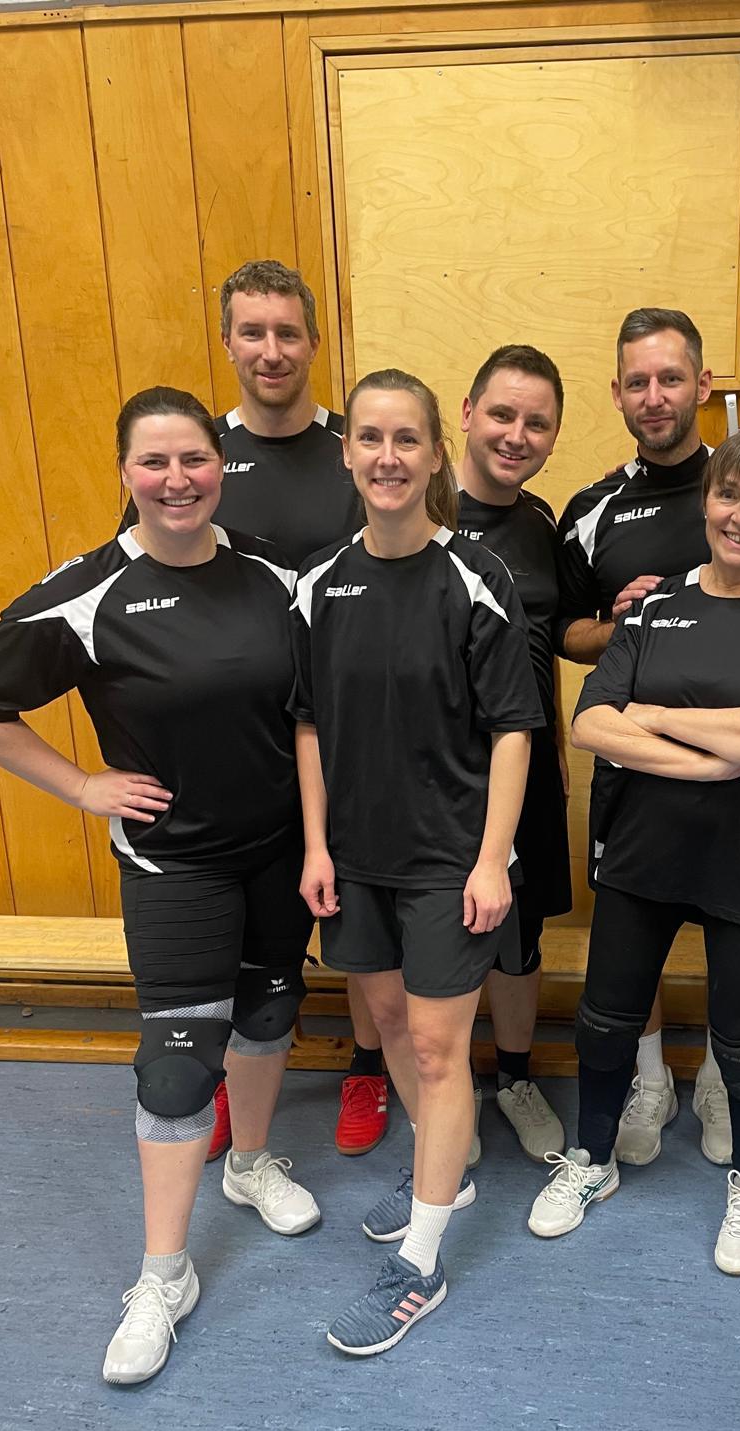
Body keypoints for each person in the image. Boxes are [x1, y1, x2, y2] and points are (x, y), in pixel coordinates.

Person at [0, 388, 319, 1385]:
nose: (176, 480)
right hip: (176, 865)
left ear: (221, 465)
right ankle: (164, 1273)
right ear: (126, 473)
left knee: (268, 1012)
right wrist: (82, 785)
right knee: (176, 1065)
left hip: (280, 853)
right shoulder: (89, 593)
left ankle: (249, 1162)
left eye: (194, 459)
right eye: (154, 462)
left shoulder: (275, 574)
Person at [530, 424, 740, 1272]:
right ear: (707, 502)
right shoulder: (656, 604)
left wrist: (662, 718)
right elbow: (593, 722)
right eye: (729, 494)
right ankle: (591, 1160)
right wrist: (713, 762)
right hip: (643, 852)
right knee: (605, 1021)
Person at [292, 369, 542, 1355]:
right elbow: (310, 724)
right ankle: (453, 1166)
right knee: (392, 1023)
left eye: (407, 439)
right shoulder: (319, 584)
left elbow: (514, 729)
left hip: (449, 859)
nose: (388, 457)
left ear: (438, 452)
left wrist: (493, 860)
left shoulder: (476, 578)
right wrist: (317, 845)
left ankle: (421, 1264)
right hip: (356, 860)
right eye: (370, 438)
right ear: (347, 453)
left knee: (439, 1051)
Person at [119, 260, 384, 1164]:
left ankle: (366, 1066)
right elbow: (139, 581)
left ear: (313, 341)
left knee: (355, 908)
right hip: (238, 744)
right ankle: (231, 1080)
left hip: (351, 727)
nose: (272, 350)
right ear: (228, 342)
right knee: (242, 936)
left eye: (287, 332)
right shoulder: (195, 458)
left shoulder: (354, 448)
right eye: (252, 332)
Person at [556, 307, 732, 1165]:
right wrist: (616, 623)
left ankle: (725, 1077)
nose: (654, 396)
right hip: (633, 765)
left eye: (670, 378)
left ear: (703, 384)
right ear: (618, 393)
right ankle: (651, 1076)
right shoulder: (594, 508)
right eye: (638, 382)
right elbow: (565, 631)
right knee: (632, 937)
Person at [457, 345, 572, 1163]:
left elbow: (548, 641)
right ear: (467, 414)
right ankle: (444, 1090)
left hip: (524, 766)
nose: (516, 434)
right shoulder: (420, 511)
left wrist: (554, 743)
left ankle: (517, 1078)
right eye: (502, 414)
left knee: (519, 934)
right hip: (442, 774)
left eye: (537, 422)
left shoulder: (541, 522)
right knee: (441, 933)